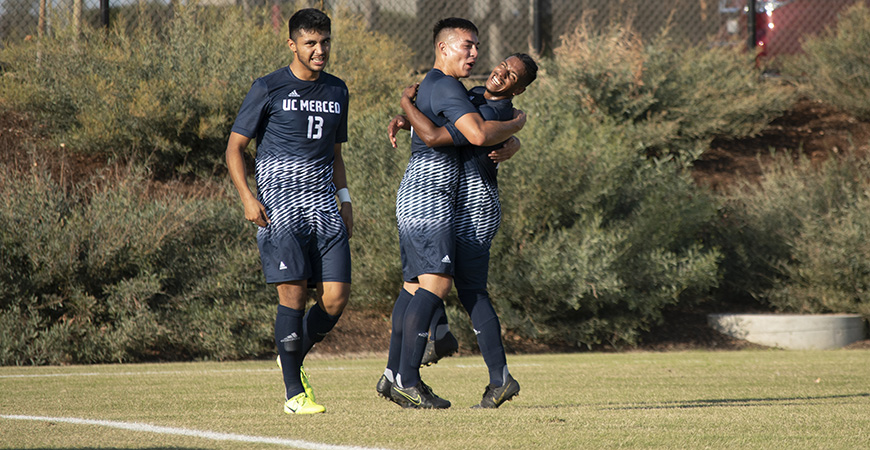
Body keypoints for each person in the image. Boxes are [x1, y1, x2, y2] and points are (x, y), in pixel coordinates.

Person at [378, 17, 527, 410]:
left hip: (464, 205)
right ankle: (409, 376)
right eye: (468, 46)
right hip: (432, 198)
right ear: (443, 48)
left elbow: (448, 131)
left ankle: (401, 375)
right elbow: (448, 133)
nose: (488, 61)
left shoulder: (477, 102)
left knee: (423, 288)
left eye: (513, 74)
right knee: (436, 287)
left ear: (520, 88)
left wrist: (512, 134)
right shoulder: (460, 92)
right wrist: (518, 126)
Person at [225, 8, 351, 415]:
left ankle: (290, 353)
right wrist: (247, 196)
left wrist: (345, 200)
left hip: (325, 209)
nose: (320, 50)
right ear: (292, 44)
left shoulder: (337, 90)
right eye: (311, 43)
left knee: (335, 299)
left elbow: (335, 154)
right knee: (293, 298)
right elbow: (234, 148)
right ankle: (294, 394)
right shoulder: (268, 87)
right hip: (280, 209)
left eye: (325, 42)